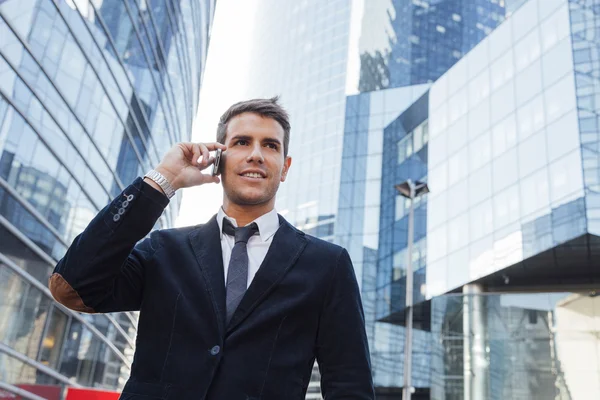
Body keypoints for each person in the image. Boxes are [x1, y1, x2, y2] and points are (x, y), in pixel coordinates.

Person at [49, 97, 374, 400]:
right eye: (241, 142)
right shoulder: (165, 249)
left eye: (270, 145)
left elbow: (350, 384)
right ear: (218, 160)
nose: (256, 154)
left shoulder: (327, 265)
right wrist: (165, 178)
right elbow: (72, 287)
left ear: (284, 167)